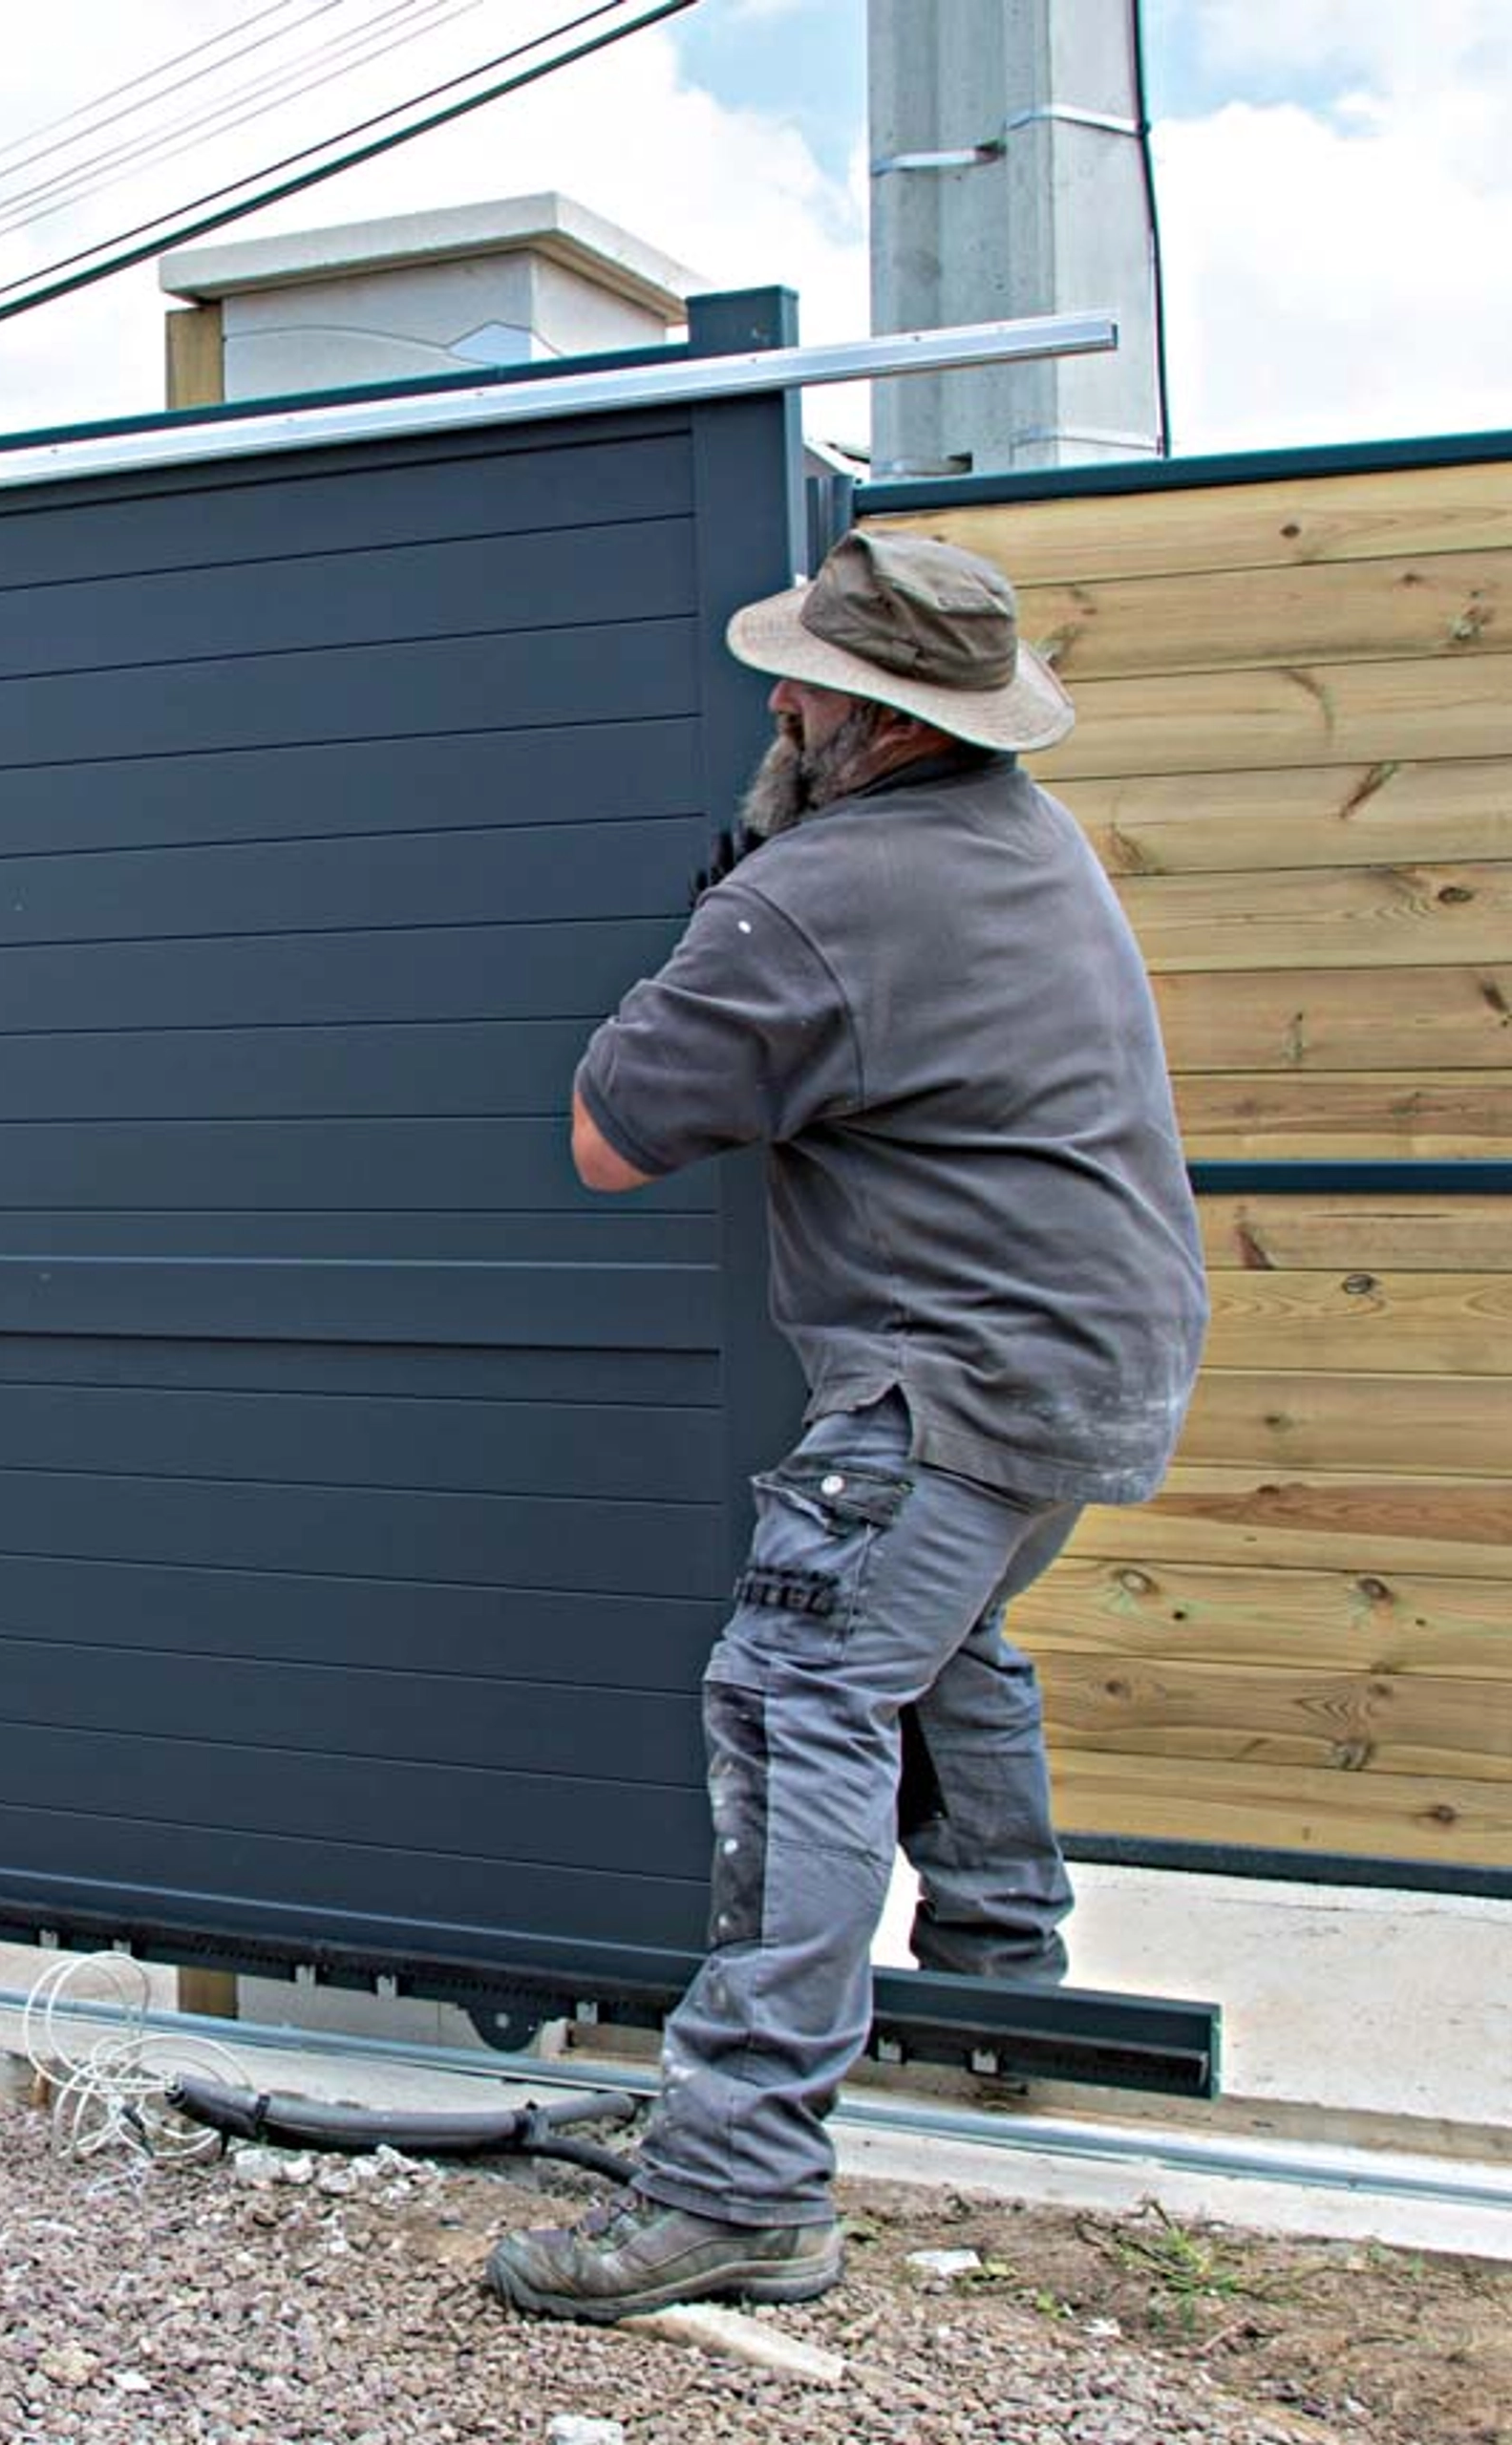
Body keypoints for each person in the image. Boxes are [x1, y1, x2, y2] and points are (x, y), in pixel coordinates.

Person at [483, 531, 1207, 2322]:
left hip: (947, 1380)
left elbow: (612, 1132)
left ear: (860, 713)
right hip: (1096, 1366)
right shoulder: (1025, 841)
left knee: (799, 1692)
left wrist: (739, 905)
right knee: (943, 1651)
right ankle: (995, 1995)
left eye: (803, 681)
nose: (780, 697)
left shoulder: (816, 895)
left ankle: (740, 2180)